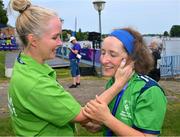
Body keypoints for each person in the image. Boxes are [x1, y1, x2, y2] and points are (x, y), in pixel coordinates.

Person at [8, 0, 134, 136]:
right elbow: (85, 115)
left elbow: (53, 107)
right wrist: (119, 84)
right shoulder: (36, 82)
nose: (60, 42)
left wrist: (81, 119)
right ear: (33, 40)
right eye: (55, 37)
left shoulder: (23, 65)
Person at [83, 28, 167, 136]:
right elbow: (117, 120)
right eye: (103, 53)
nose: (103, 60)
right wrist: (99, 125)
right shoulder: (113, 83)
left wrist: (106, 119)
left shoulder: (149, 91)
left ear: (132, 58)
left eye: (113, 54)